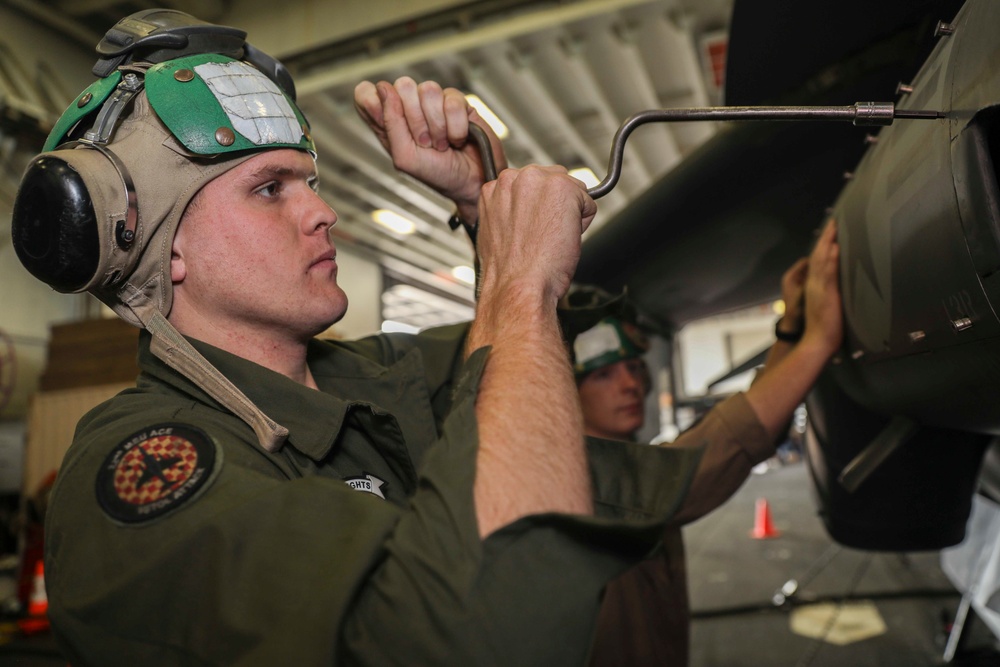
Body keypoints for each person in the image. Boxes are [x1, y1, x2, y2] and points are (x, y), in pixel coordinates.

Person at [9, 9, 842, 666]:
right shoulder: (133, 476)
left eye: (311, 181)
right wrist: (515, 280)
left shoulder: (378, 380)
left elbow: (603, 420)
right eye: (269, 189)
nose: (321, 209)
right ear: (164, 245)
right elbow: (484, 637)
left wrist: (486, 204)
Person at [565, 261, 815, 667]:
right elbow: (718, 446)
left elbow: (742, 423)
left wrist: (790, 330)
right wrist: (819, 340)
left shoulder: (636, 468)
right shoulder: (582, 488)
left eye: (632, 368)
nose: (629, 384)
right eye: (603, 375)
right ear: (567, 390)